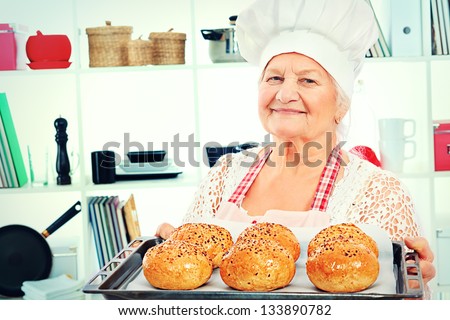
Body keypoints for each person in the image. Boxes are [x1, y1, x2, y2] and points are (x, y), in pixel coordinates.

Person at [156, 0, 435, 296]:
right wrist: (170, 246)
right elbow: (187, 279)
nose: (285, 94)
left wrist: (417, 282)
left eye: (308, 80)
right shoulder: (223, 176)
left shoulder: (380, 192)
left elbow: (397, 294)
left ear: (341, 104)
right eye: (274, 77)